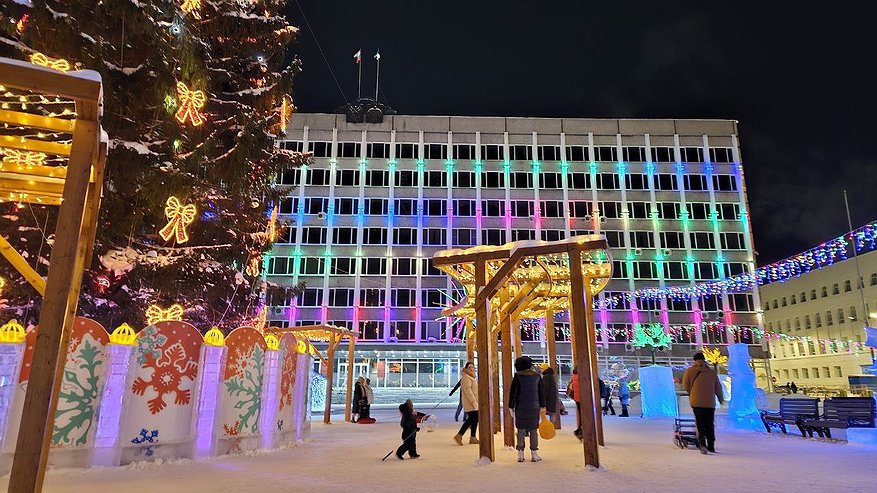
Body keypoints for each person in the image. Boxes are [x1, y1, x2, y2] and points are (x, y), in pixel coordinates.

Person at [682, 352, 724, 454]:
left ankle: (702, 445)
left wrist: (692, 393)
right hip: (709, 402)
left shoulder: (690, 371)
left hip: (696, 401)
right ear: (704, 360)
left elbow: (685, 384)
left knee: (700, 424)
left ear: (695, 360)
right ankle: (711, 446)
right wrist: (720, 398)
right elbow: (718, 387)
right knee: (709, 424)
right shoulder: (711, 372)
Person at [509, 356, 545, 462]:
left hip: (520, 407)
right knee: (533, 430)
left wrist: (511, 406)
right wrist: (543, 405)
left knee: (520, 430)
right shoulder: (537, 376)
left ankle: (520, 454)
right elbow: (541, 392)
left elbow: (513, 393)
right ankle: (534, 454)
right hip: (534, 407)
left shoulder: (517, 376)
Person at [454, 362, 479, 445]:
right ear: (466, 368)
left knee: (475, 419)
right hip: (470, 402)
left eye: (472, 367)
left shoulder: (472, 377)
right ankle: (459, 435)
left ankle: (473, 437)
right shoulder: (466, 377)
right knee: (471, 419)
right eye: (469, 367)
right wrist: (473, 402)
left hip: (474, 401)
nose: (471, 368)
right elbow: (468, 390)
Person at [540, 363, 560, 429]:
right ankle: (552, 426)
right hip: (552, 397)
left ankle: (549, 427)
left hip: (548, 398)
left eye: (541, 368)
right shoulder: (551, 376)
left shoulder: (546, 377)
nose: (541, 370)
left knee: (546, 412)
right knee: (552, 412)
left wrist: (543, 397)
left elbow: (545, 388)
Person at [568, 368, 582, 439]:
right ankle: (581, 430)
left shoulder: (573, 376)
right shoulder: (582, 376)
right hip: (583, 398)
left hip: (577, 398)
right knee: (585, 415)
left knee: (581, 414)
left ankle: (580, 428)